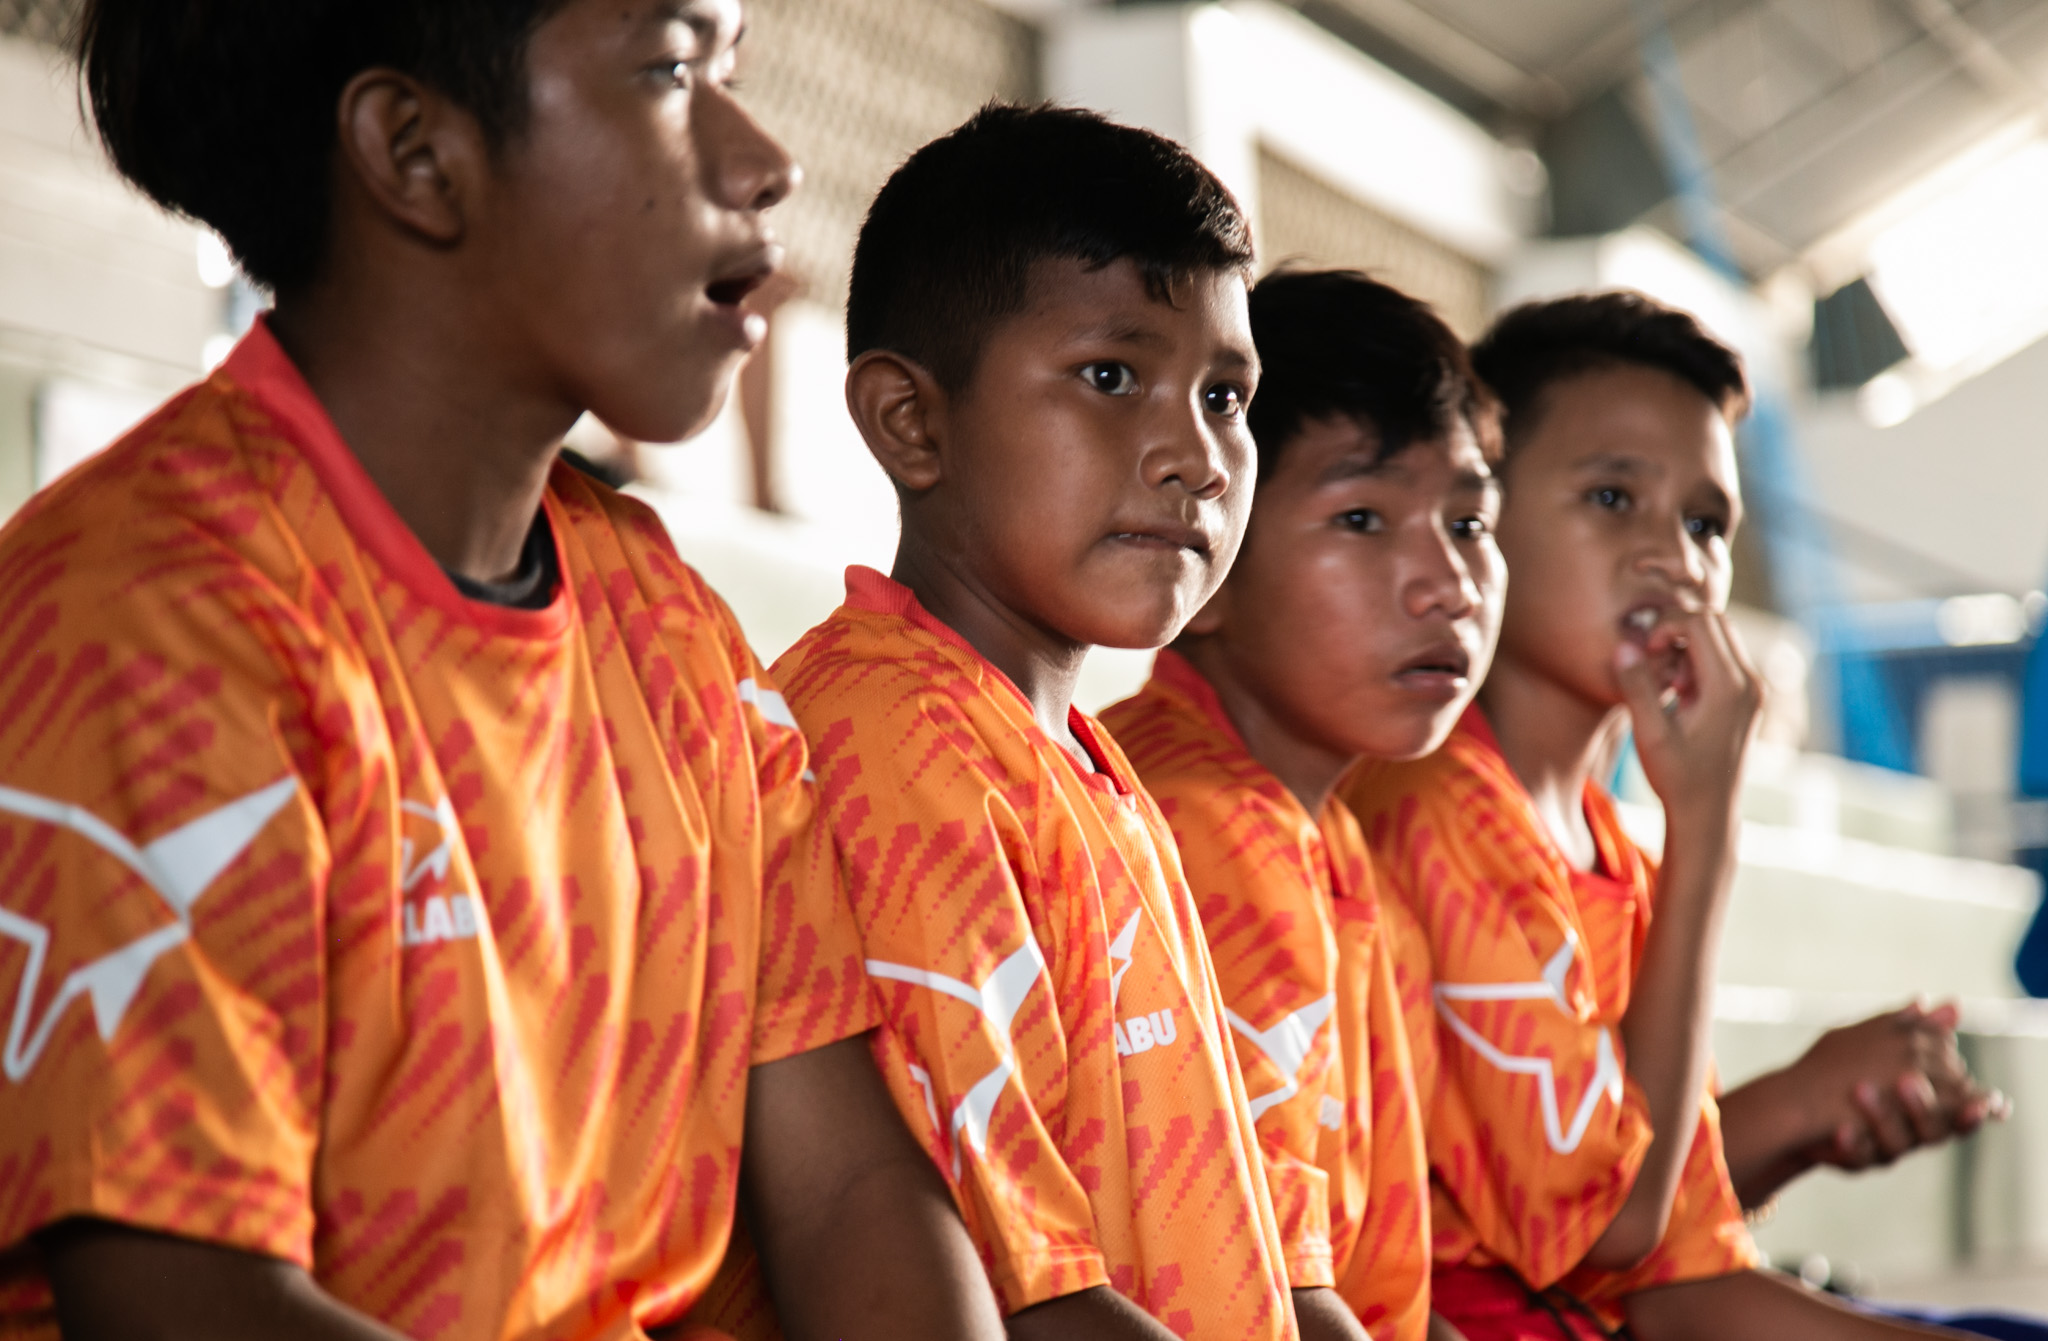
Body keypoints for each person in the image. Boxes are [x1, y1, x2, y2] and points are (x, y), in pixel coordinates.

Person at [0, 3, 1009, 1339]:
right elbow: (188, 1303)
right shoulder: (143, 616)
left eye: (734, 72)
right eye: (669, 72)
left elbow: (847, 1188)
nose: (766, 158)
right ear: (415, 153)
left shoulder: (676, 635)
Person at [703, 104, 1296, 1341]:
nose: (1194, 454)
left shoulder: (1068, 754)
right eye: (1110, 377)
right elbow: (1028, 1305)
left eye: (1227, 396)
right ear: (911, 422)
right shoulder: (892, 748)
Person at [1341, 290, 2000, 1341]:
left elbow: (1680, 1256)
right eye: (1611, 498)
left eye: (1704, 524)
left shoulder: (1600, 840)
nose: (1671, 557)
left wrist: (1798, 1111)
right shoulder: (1432, 807)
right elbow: (1618, 1237)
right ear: (1475, 513)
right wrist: (1706, 832)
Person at [1102, 269, 1504, 1341]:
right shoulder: (1204, 828)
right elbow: (1263, 1302)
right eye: (1363, 517)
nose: (1447, 583)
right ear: (1211, 563)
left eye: (1469, 521)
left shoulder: (1317, 824)